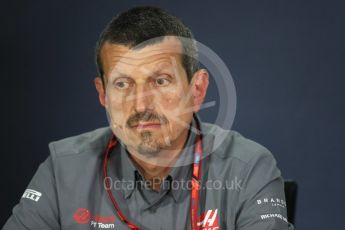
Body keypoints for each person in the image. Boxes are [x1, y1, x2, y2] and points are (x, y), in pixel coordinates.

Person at [3, 6, 294, 230]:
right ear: (102, 93)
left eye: (160, 81)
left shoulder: (248, 168)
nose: (141, 103)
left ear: (197, 90)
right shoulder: (63, 168)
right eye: (122, 83)